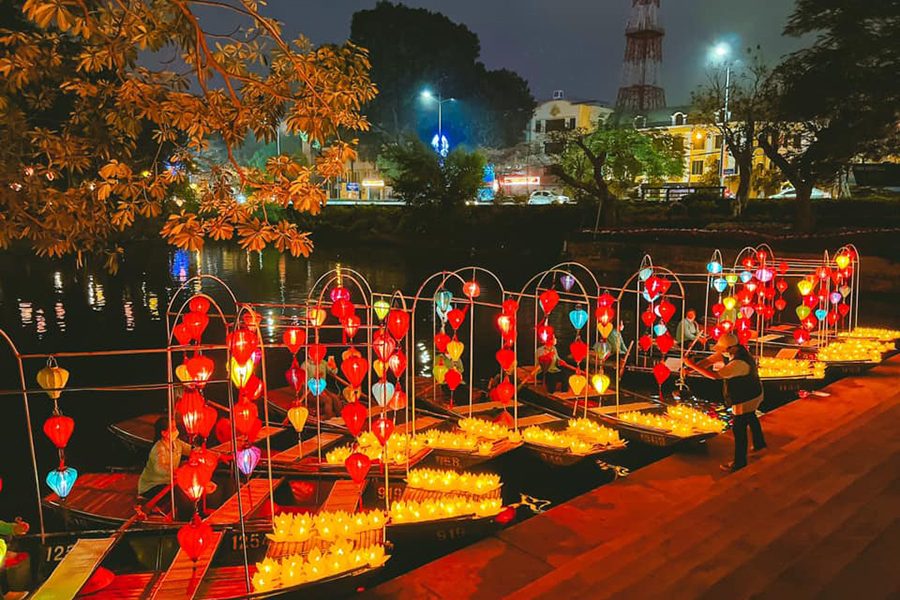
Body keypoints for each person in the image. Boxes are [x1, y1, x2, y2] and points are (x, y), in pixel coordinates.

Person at [684, 333, 767, 472]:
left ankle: (739, 462)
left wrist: (691, 365)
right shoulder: (731, 353)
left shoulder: (739, 363)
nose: (721, 351)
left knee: (739, 429)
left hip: (747, 396)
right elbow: (708, 361)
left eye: (723, 349)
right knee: (751, 416)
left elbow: (715, 375)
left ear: (732, 348)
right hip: (753, 392)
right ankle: (759, 443)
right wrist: (691, 368)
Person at [137, 417, 192, 500]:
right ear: (164, 433)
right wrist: (176, 472)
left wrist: (200, 452)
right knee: (182, 494)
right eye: (172, 428)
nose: (176, 430)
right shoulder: (159, 448)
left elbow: (190, 450)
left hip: (169, 480)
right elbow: (160, 468)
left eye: (175, 427)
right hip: (153, 485)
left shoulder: (176, 443)